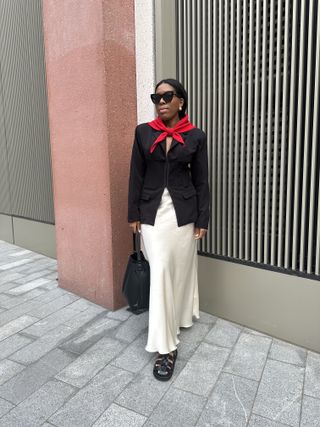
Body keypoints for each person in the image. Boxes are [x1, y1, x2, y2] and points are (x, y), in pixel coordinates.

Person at [128, 78, 209, 381]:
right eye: (156, 97)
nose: (160, 102)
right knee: (161, 269)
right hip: (152, 214)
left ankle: (180, 316)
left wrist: (202, 220)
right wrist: (132, 213)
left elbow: (201, 181)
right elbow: (135, 174)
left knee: (179, 270)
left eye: (167, 96)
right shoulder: (143, 132)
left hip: (183, 214)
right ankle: (166, 347)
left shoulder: (196, 136)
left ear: (181, 102)